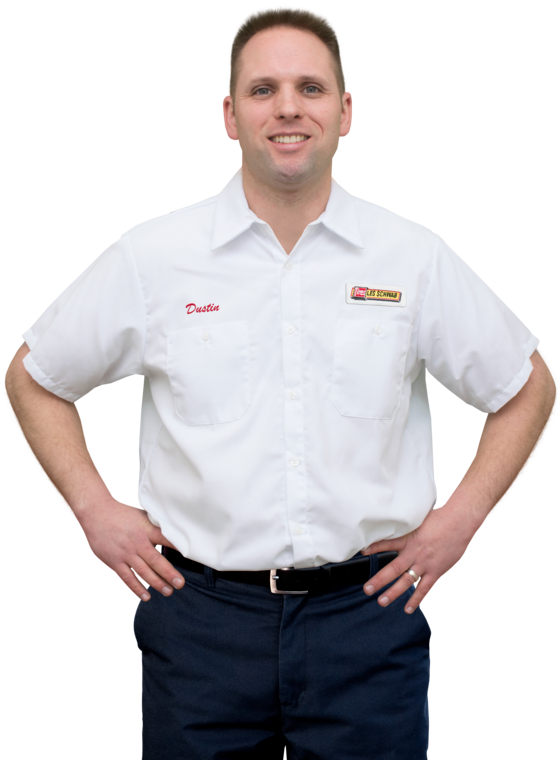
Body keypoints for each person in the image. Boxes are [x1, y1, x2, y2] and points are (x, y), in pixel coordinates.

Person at [4, 4, 559, 759]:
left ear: (346, 112)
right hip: (198, 623)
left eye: (311, 88)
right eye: (263, 90)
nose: (288, 108)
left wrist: (459, 523)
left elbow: (528, 386)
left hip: (368, 619)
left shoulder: (410, 255)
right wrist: (94, 512)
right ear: (230, 116)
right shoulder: (155, 255)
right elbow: (34, 378)